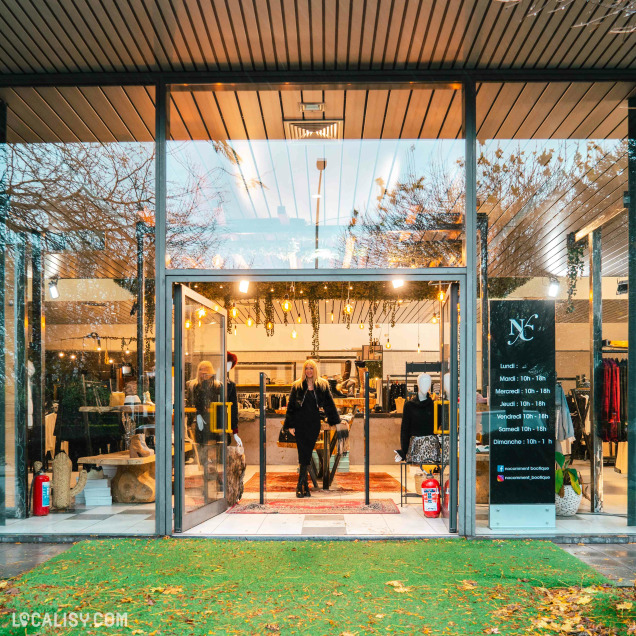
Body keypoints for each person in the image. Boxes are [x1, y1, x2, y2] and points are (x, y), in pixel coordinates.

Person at [283, 359, 340, 498]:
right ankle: (302, 486)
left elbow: (329, 403)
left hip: (313, 424)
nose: (309, 370)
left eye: (311, 368)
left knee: (306, 453)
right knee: (303, 454)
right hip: (300, 423)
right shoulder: (297, 386)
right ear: (304, 370)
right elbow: (291, 406)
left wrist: (335, 420)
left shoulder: (322, 385)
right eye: (306, 368)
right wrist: (290, 425)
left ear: (315, 370)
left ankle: (303, 486)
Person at [394, 373, 435, 462]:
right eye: (423, 382)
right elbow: (404, 430)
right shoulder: (409, 406)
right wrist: (403, 452)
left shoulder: (434, 406)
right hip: (415, 450)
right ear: (418, 384)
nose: (425, 385)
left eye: (428, 383)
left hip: (431, 451)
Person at [226, 352, 242, 447]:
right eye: (227, 363)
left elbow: (233, 408)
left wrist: (235, 432)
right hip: (209, 423)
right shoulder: (210, 382)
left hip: (224, 423)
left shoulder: (230, 385)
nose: (229, 366)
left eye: (230, 364)